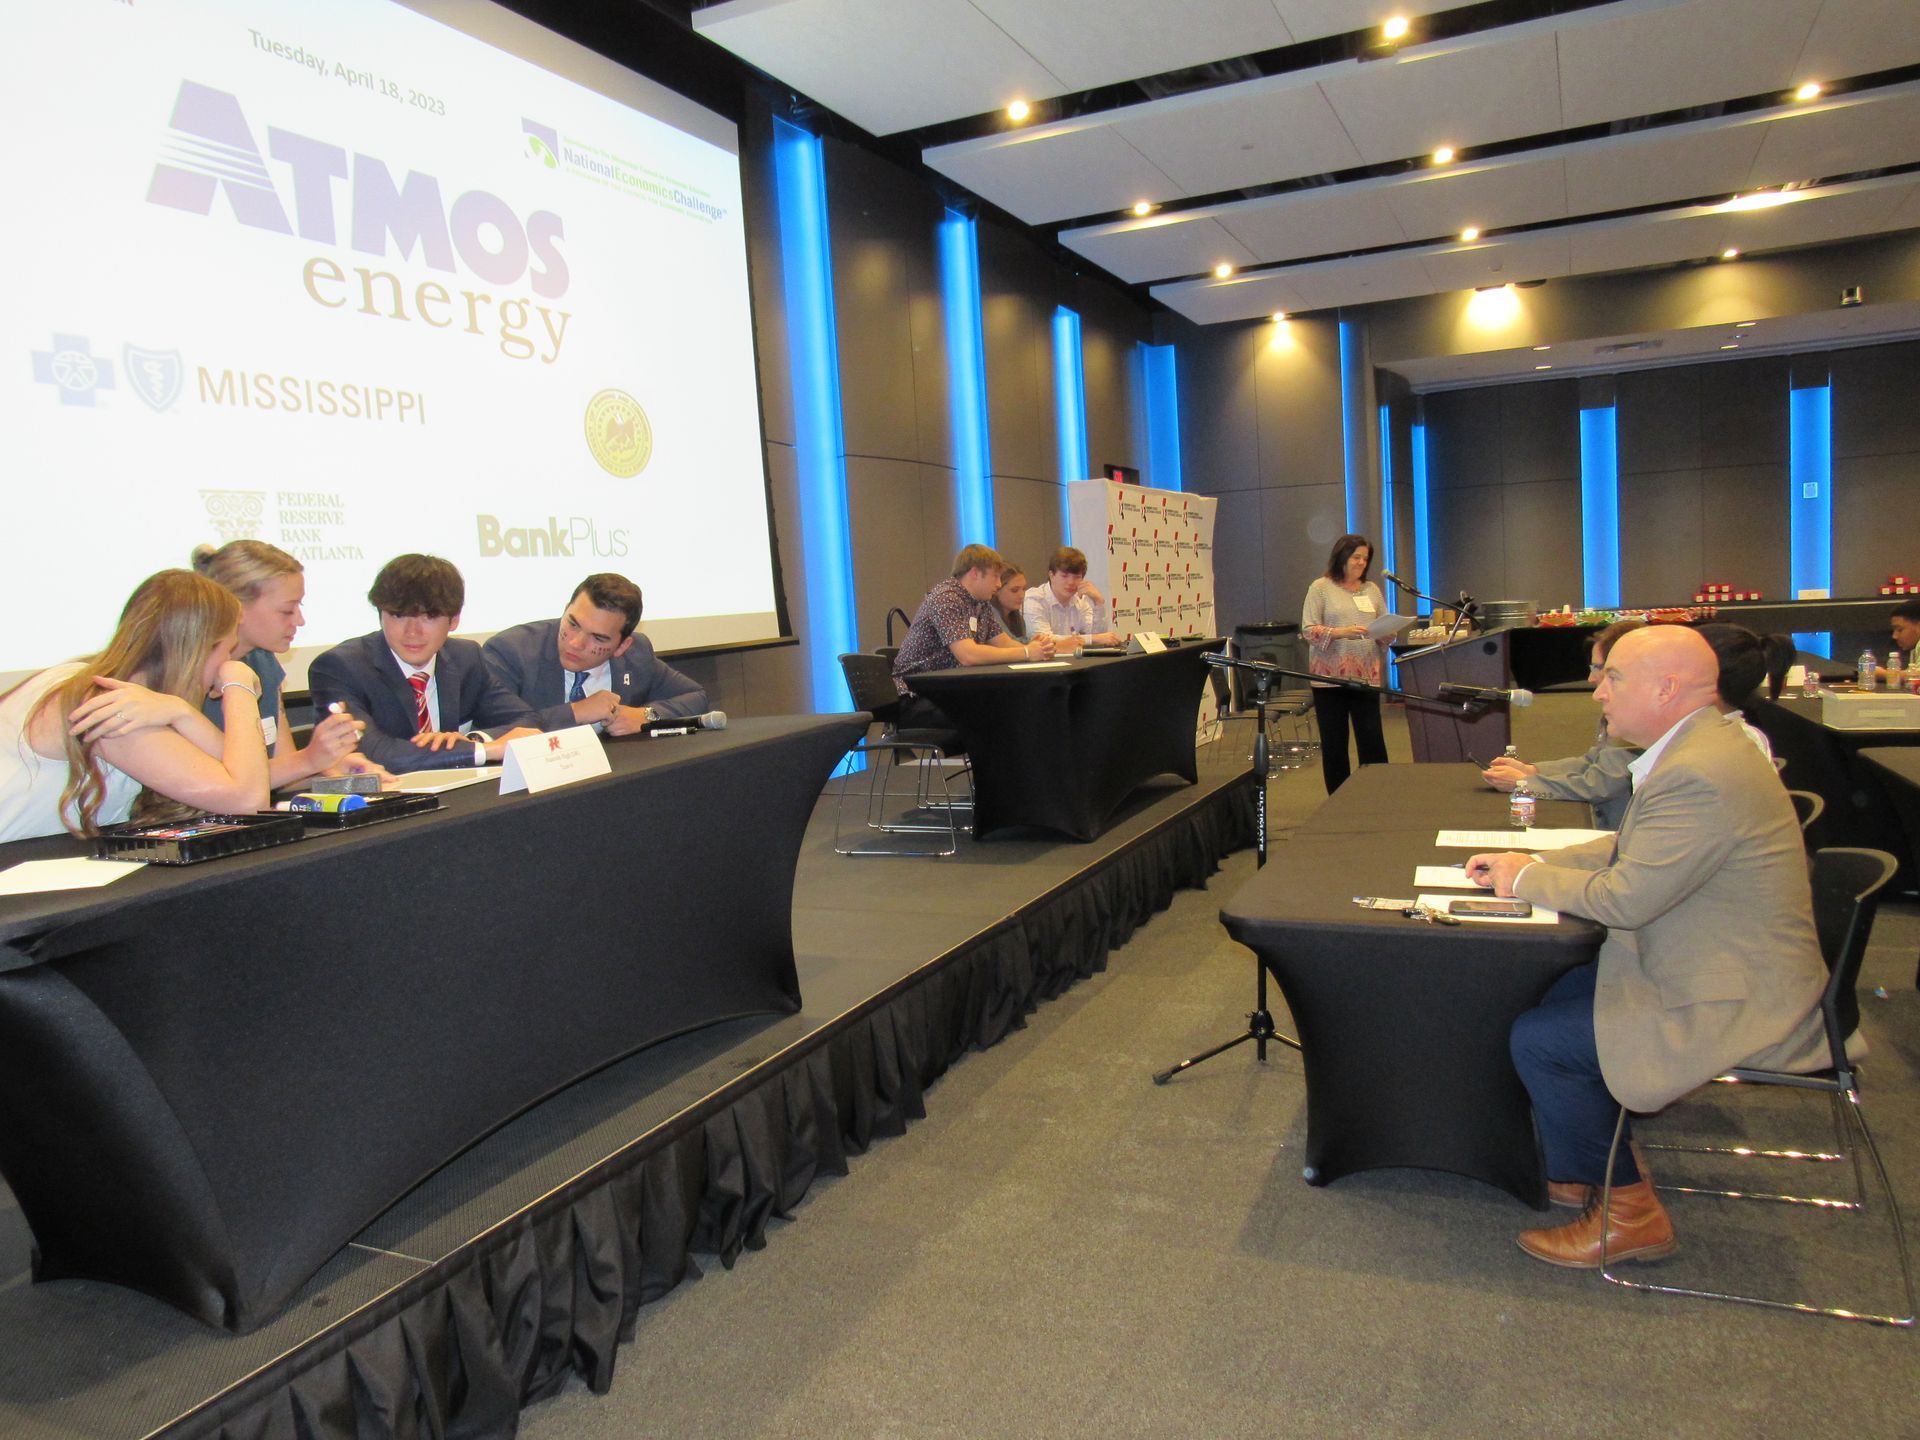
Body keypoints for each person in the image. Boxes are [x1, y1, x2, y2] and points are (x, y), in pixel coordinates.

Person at [1464, 625, 1828, 1268]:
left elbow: (1628, 898)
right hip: (1707, 951)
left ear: (1667, 688)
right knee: (1544, 991)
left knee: (1542, 1040)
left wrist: (1524, 877)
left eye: (1614, 679)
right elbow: (1637, 850)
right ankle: (1582, 1165)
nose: (1599, 692)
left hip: (1730, 987)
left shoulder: (1698, 773)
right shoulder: (1697, 747)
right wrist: (1533, 860)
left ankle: (1630, 1212)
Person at [0, 569, 270, 841]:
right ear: (201, 649)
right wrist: (239, 685)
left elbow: (236, 769)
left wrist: (184, 713)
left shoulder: (102, 686)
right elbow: (248, 798)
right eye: (227, 649)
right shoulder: (105, 703)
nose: (229, 661)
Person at [307, 555, 539, 773]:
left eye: (429, 617)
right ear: (380, 615)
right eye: (398, 616)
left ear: (454, 620)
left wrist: (474, 740)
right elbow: (376, 753)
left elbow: (526, 721)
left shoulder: (466, 657)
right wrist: (483, 751)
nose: (412, 632)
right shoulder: (340, 667)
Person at [190, 540, 384, 786]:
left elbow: (283, 769)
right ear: (237, 608)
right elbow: (222, 784)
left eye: (299, 606)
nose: (300, 620)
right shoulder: (190, 676)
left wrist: (331, 769)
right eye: (287, 610)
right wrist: (310, 759)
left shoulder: (263, 662)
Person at [483, 573, 708, 735]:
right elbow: (493, 730)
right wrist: (576, 712)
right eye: (572, 624)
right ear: (564, 610)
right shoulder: (511, 651)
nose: (576, 642)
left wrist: (647, 715)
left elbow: (696, 696)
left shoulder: (637, 654)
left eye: (598, 638)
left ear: (622, 645)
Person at [1482, 618, 1645, 829]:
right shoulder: (1619, 710)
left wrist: (1523, 783)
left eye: (1597, 668)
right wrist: (1531, 770)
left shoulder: (1635, 718)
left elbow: (1597, 785)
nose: (1590, 678)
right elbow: (1592, 761)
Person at [891, 544, 1051, 728]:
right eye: (995, 577)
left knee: (1014, 705)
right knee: (996, 713)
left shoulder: (980, 604)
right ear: (975, 573)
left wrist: (1037, 647)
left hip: (947, 691)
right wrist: (1026, 653)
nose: (999, 584)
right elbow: (968, 655)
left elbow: (1004, 643)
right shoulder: (946, 598)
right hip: (916, 696)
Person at [1302, 533, 1389, 793]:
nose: (1361, 563)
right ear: (1342, 557)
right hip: (1330, 680)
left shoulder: (1371, 589)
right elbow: (1308, 629)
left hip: (1366, 677)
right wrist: (1343, 632)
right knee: (1335, 744)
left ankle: (1376, 793)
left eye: (1365, 558)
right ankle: (1338, 799)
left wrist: (1387, 631)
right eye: (1356, 557)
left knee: (1372, 739)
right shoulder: (1320, 588)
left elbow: (1384, 623)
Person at [1022, 546, 1121, 653]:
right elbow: (1044, 640)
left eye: (1077, 577)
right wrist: (1092, 639)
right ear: (1051, 575)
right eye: (1064, 576)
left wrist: (1099, 602)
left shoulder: (1080, 601)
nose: (1071, 582)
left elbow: (1098, 637)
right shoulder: (1034, 599)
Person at [995, 566, 1029, 642]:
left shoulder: (1018, 619)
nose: (1021, 595)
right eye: (1014, 590)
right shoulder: (989, 614)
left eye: (1024, 589)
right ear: (997, 589)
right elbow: (1008, 644)